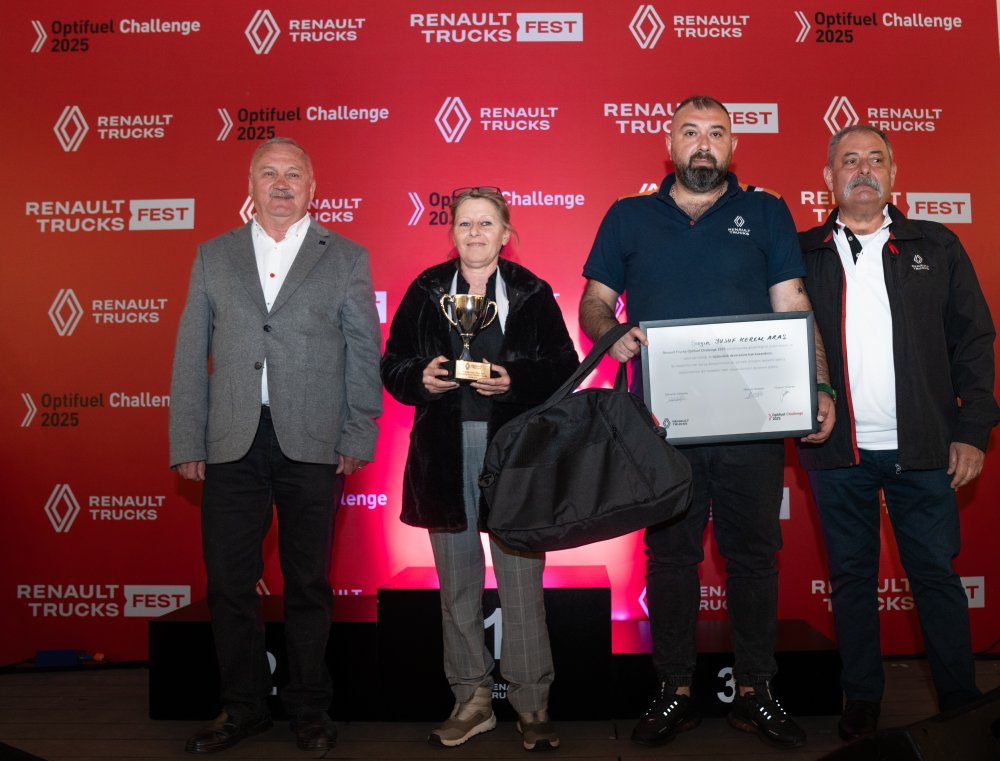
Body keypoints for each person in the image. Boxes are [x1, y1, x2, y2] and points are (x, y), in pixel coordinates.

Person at [579, 95, 835, 750]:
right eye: (690, 132)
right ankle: (675, 690)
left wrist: (819, 384)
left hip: (753, 421)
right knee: (670, 557)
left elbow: (792, 303)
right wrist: (611, 334)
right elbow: (595, 302)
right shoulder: (628, 215)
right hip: (663, 425)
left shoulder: (767, 211)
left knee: (754, 556)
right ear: (669, 144)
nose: (703, 143)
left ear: (732, 146)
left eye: (716, 132)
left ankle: (756, 692)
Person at [169, 137, 382, 754]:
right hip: (231, 440)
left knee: (308, 582)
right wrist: (187, 437)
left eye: (293, 174)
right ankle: (242, 708)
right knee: (228, 582)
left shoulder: (347, 257)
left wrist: (357, 432)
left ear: (313, 188)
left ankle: (309, 708)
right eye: (269, 173)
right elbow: (190, 354)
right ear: (251, 185)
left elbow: (363, 352)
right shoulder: (213, 255)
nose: (281, 184)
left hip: (313, 441)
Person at [797, 125, 998, 741]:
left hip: (927, 447)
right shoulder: (801, 255)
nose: (863, 170)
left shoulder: (936, 244)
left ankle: (960, 702)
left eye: (875, 159)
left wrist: (973, 429)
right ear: (828, 178)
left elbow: (974, 340)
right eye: (849, 161)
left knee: (935, 576)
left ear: (893, 174)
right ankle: (862, 700)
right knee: (851, 579)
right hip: (838, 451)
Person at [381, 186, 578, 752]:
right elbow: (392, 365)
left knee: (521, 585)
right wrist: (420, 378)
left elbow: (565, 369)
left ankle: (532, 703)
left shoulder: (531, 292)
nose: (474, 233)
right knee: (458, 586)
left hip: (514, 457)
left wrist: (515, 380)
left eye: (486, 223)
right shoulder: (426, 290)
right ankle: (471, 699)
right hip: (443, 456)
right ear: (452, 234)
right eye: (465, 223)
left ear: (506, 233)